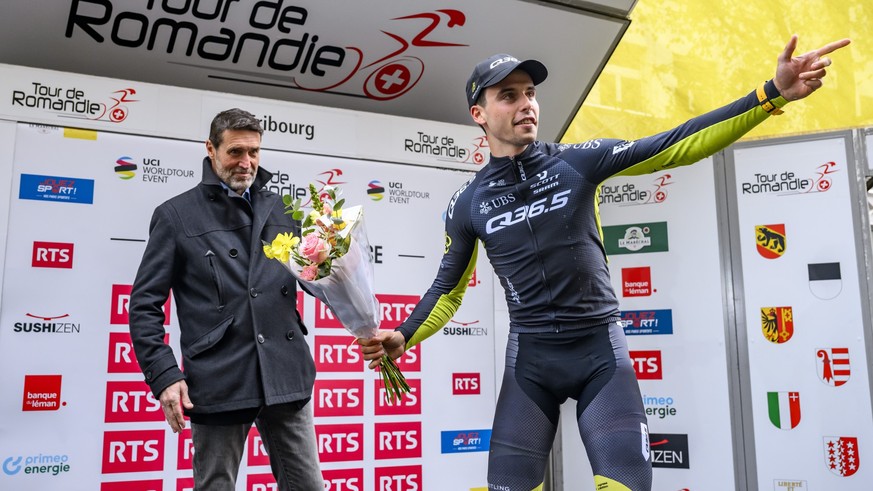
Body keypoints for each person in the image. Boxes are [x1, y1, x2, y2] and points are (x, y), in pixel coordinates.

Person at [358, 35, 850, 491]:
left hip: (599, 355)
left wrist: (771, 95)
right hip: (529, 363)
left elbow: (677, 144)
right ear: (479, 113)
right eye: (508, 95)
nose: (526, 103)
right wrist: (403, 335)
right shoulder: (467, 204)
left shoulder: (576, 162)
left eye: (530, 92)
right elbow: (447, 290)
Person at [129, 108, 323, 490]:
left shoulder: (284, 210)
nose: (246, 162)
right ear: (211, 150)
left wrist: (353, 309)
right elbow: (144, 306)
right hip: (220, 377)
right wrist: (165, 375)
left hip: (285, 373)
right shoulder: (175, 215)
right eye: (235, 151)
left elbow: (316, 279)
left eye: (254, 152)